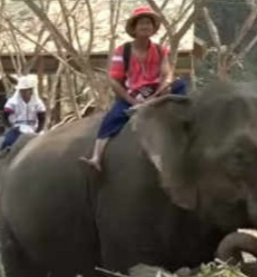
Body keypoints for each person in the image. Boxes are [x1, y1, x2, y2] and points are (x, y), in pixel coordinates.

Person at [79, 6, 187, 172]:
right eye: (142, 23)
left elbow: (167, 74)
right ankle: (97, 156)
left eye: (149, 23)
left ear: (153, 28)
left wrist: (161, 91)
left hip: (156, 92)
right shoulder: (123, 51)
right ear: (134, 28)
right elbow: (114, 80)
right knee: (111, 119)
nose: (145, 26)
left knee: (182, 87)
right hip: (132, 94)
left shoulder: (160, 50)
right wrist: (132, 101)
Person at [0, 76, 47, 150]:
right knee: (7, 143)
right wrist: (10, 127)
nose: (23, 93)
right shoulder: (12, 102)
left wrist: (38, 130)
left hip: (34, 129)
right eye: (21, 90)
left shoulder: (38, 103)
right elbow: (4, 117)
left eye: (25, 90)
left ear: (31, 90)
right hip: (17, 129)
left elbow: (42, 119)